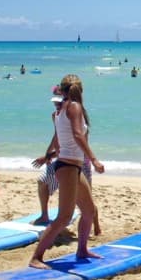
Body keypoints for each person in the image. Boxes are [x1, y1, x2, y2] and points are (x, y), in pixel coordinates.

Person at [29, 74, 104, 269]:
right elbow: (79, 135)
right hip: (68, 166)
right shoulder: (75, 107)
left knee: (89, 210)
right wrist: (94, 159)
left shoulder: (59, 111)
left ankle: (82, 249)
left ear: (62, 90)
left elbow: (57, 139)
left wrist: (49, 156)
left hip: (72, 166)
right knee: (64, 216)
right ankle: (36, 257)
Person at [30, 95, 100, 235]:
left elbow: (74, 145)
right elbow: (56, 137)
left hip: (79, 163)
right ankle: (44, 214)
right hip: (62, 161)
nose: (56, 105)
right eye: (54, 102)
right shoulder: (56, 116)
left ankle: (97, 226)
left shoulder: (77, 119)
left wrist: (93, 160)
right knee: (42, 181)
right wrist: (48, 154)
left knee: (86, 201)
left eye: (58, 102)